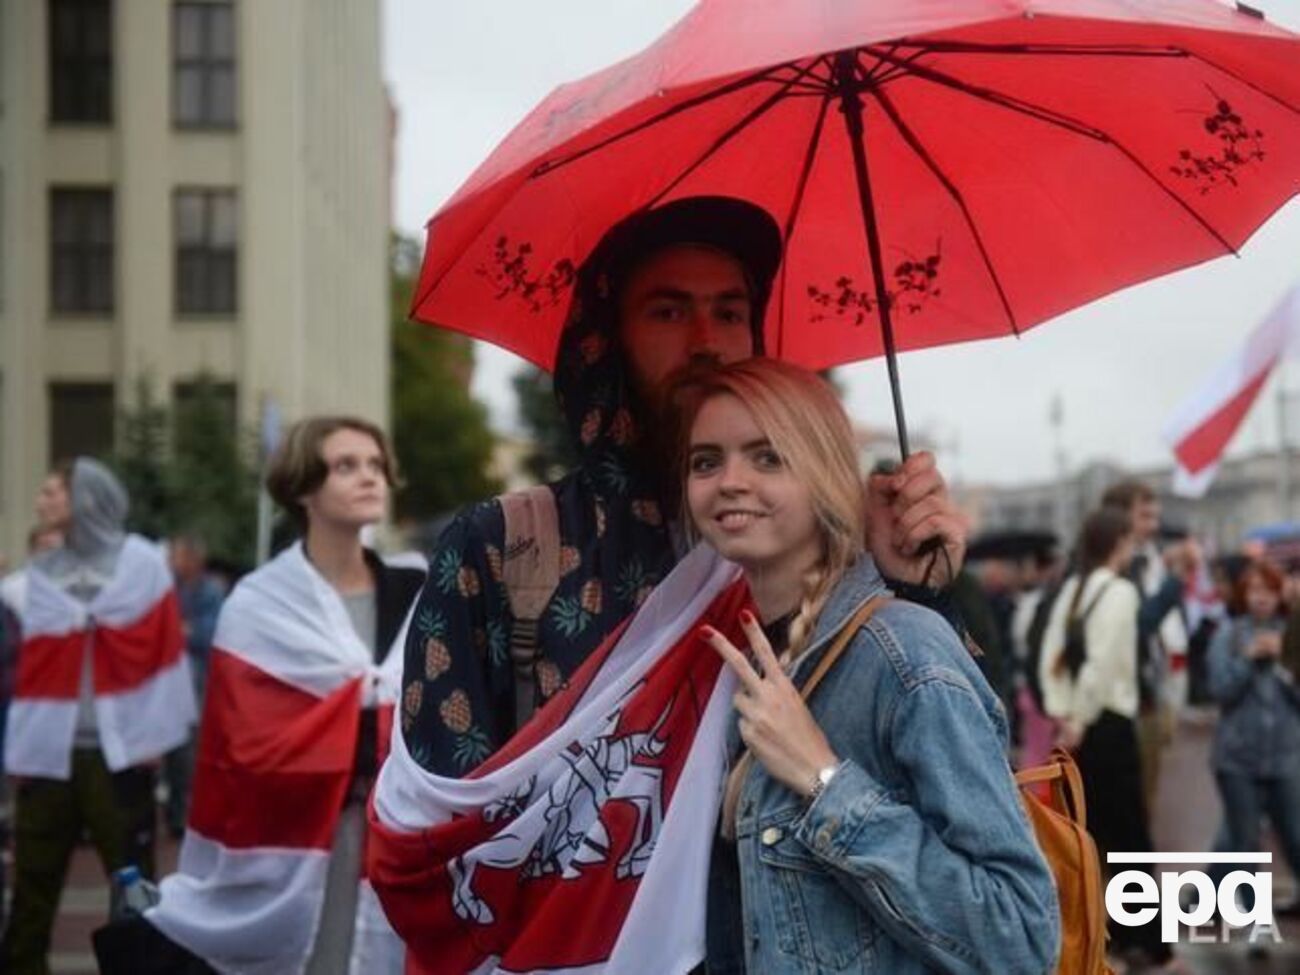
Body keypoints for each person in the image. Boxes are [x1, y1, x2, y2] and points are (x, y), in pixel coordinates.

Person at [400, 196, 970, 778]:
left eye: (729, 313)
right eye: (668, 313)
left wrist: (919, 593)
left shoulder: (832, 544)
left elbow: (935, 771)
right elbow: (435, 818)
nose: (705, 342)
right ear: (608, 338)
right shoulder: (501, 547)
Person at [680, 359, 1057, 973]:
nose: (729, 480)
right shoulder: (748, 658)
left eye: (768, 457)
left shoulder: (904, 655)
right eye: (706, 461)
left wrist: (825, 781)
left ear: (827, 476)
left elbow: (1019, 933)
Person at [95, 417, 426, 975]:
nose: (369, 478)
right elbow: (241, 749)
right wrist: (351, 729)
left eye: (375, 465)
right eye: (346, 466)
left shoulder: (421, 591)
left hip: (400, 834)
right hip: (296, 840)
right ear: (302, 488)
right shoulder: (260, 604)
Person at [1, 459, 196, 975]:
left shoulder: (142, 567)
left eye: (52, 492)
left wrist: (157, 737)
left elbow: (166, 656)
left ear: (83, 499)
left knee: (134, 894)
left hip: (121, 754)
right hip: (47, 755)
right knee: (30, 893)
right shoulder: (38, 576)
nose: (41, 500)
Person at [1039, 507, 1179, 971]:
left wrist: (1063, 711)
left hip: (1078, 727)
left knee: (1092, 839)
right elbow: (1102, 662)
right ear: (1118, 542)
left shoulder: (1073, 591)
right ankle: (1144, 941)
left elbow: (1051, 656)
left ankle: (1105, 937)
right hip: (1110, 724)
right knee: (1130, 839)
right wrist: (1081, 713)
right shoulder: (1120, 592)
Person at [1206, 560, 1300, 910]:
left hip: (1286, 757)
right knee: (1244, 842)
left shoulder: (1291, 637)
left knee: (1294, 834)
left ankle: (1204, 896)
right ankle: (1254, 921)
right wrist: (1248, 660)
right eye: (1255, 590)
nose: (1262, 598)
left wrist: (1281, 663)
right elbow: (1220, 689)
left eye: (1269, 591)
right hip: (1237, 758)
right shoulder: (1228, 636)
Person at [1100, 481, 1190, 810]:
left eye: (1156, 517)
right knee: (1128, 811)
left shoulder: (1148, 560)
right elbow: (1139, 625)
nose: (1153, 526)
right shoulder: (1112, 568)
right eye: (1144, 516)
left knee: (1143, 803)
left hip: (1149, 691)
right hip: (1123, 703)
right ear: (1119, 518)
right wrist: (1176, 580)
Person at [159, 533, 225, 837]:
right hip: (168, 684)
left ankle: (184, 814)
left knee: (189, 753)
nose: (173, 561)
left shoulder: (210, 592)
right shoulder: (167, 589)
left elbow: (208, 634)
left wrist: (180, 631)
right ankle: (173, 812)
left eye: (179, 555)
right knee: (170, 750)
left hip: (197, 685)